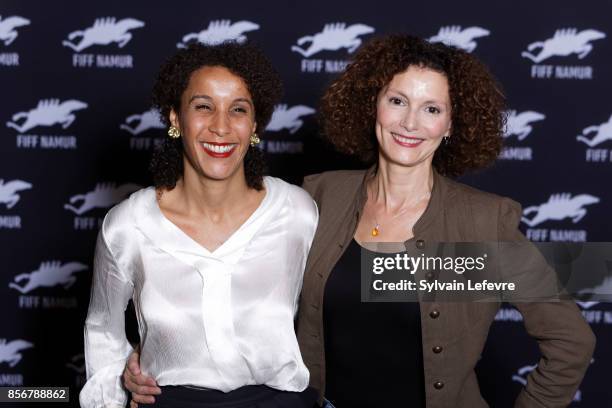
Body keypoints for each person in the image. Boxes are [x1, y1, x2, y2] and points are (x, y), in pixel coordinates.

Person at [124, 35, 596, 407]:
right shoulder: (319, 197)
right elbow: (235, 294)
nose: (410, 122)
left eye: (431, 109)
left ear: (451, 125)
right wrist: (153, 356)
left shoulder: (481, 222)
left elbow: (572, 339)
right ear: (374, 103)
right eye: (397, 101)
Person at [79, 41, 318, 408]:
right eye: (203, 107)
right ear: (176, 118)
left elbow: (340, 305)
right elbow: (102, 332)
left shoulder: (298, 212)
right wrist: (119, 382)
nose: (220, 127)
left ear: (254, 124)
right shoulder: (128, 226)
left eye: (237, 109)